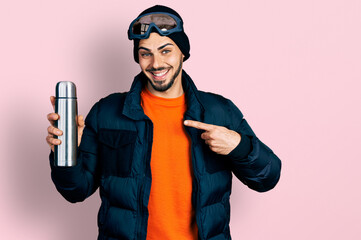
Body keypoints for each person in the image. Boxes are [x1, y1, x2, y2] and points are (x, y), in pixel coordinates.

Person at [46, 5, 281, 240]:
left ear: (183, 53)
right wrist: (66, 155)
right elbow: (76, 191)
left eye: (165, 51)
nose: (156, 63)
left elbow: (267, 178)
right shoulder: (106, 112)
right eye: (145, 53)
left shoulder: (220, 112)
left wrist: (239, 146)